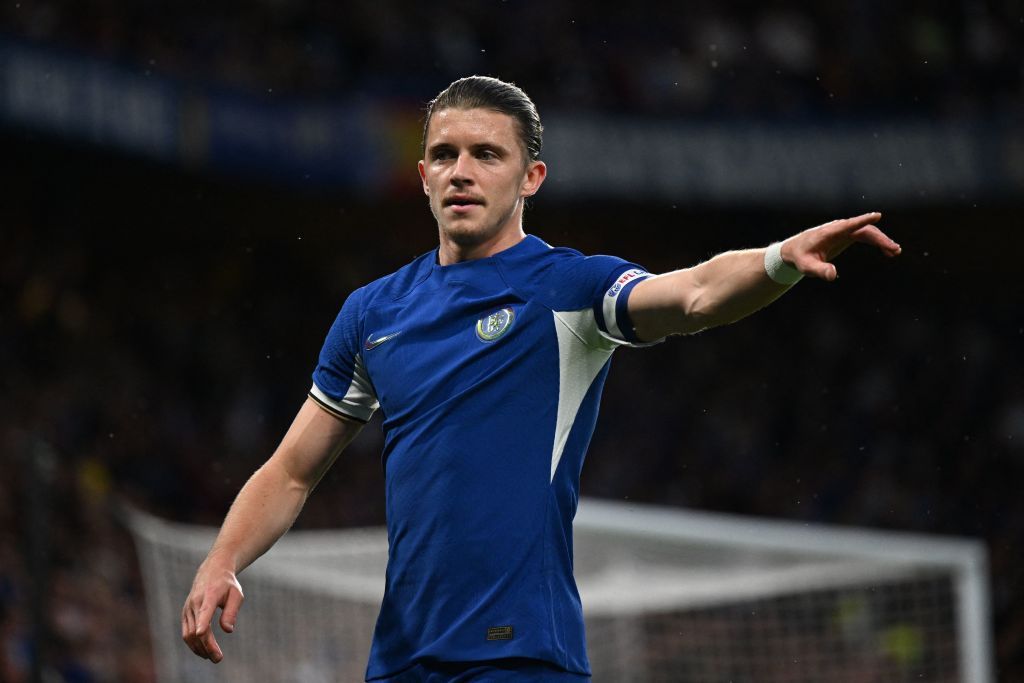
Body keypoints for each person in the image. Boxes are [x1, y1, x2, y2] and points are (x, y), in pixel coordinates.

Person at [181, 75, 901, 681]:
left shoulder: (567, 288)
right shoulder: (372, 311)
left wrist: (777, 257)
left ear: (531, 178)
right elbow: (293, 471)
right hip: (401, 657)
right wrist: (223, 558)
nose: (462, 170)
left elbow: (695, 295)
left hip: (521, 650)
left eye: (487, 154)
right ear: (424, 174)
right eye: (444, 154)